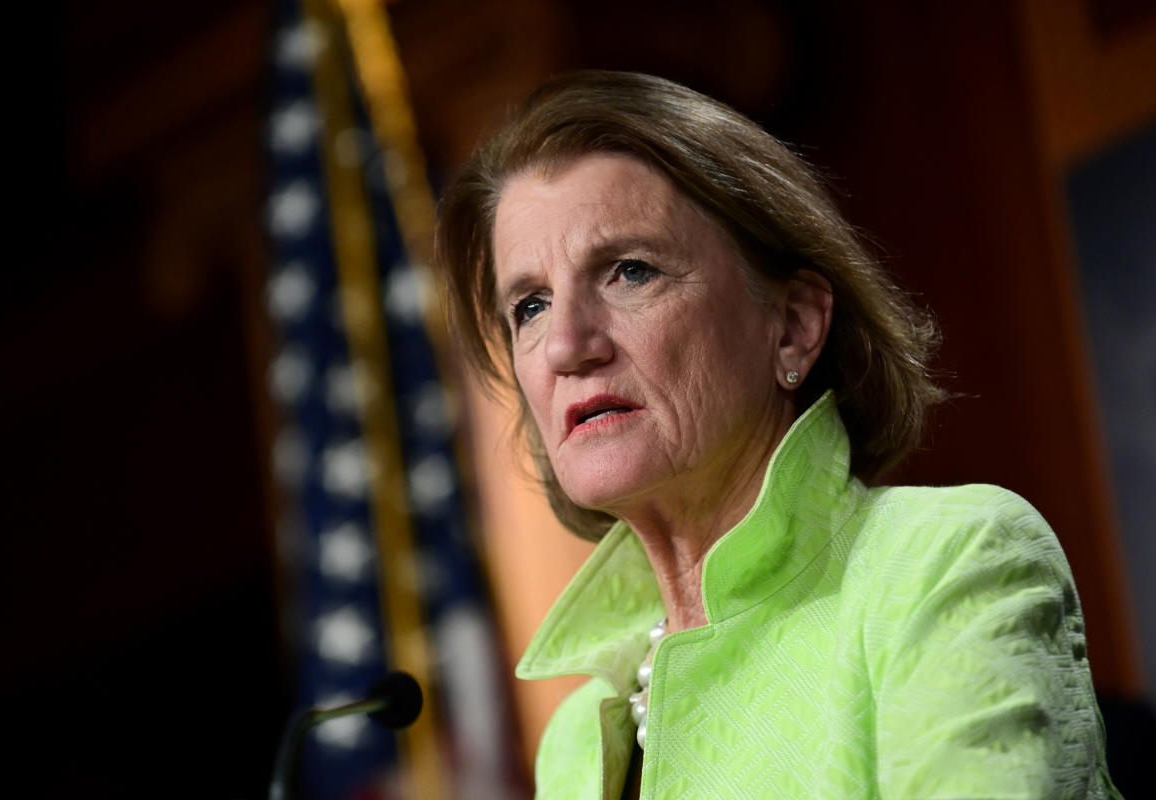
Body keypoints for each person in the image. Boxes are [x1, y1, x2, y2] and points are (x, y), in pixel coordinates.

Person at [435, 70, 1119, 799]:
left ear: (792, 326)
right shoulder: (574, 738)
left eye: (631, 271)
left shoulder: (947, 564)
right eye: (530, 305)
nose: (567, 345)